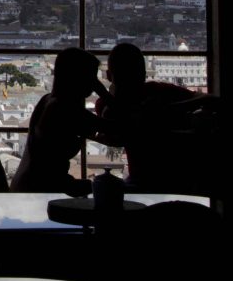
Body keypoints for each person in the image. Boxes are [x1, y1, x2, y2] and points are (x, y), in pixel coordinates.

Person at [94, 42, 220, 191]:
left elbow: (114, 136)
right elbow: (210, 100)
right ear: (144, 74)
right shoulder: (158, 91)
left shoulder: (105, 105)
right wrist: (171, 110)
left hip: (142, 179)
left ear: (109, 75)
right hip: (183, 177)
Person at [10, 47, 108, 195]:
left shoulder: (48, 100)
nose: (94, 82)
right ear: (77, 77)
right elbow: (118, 129)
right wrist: (105, 95)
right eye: (91, 77)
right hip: (42, 189)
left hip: (29, 185)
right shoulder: (65, 108)